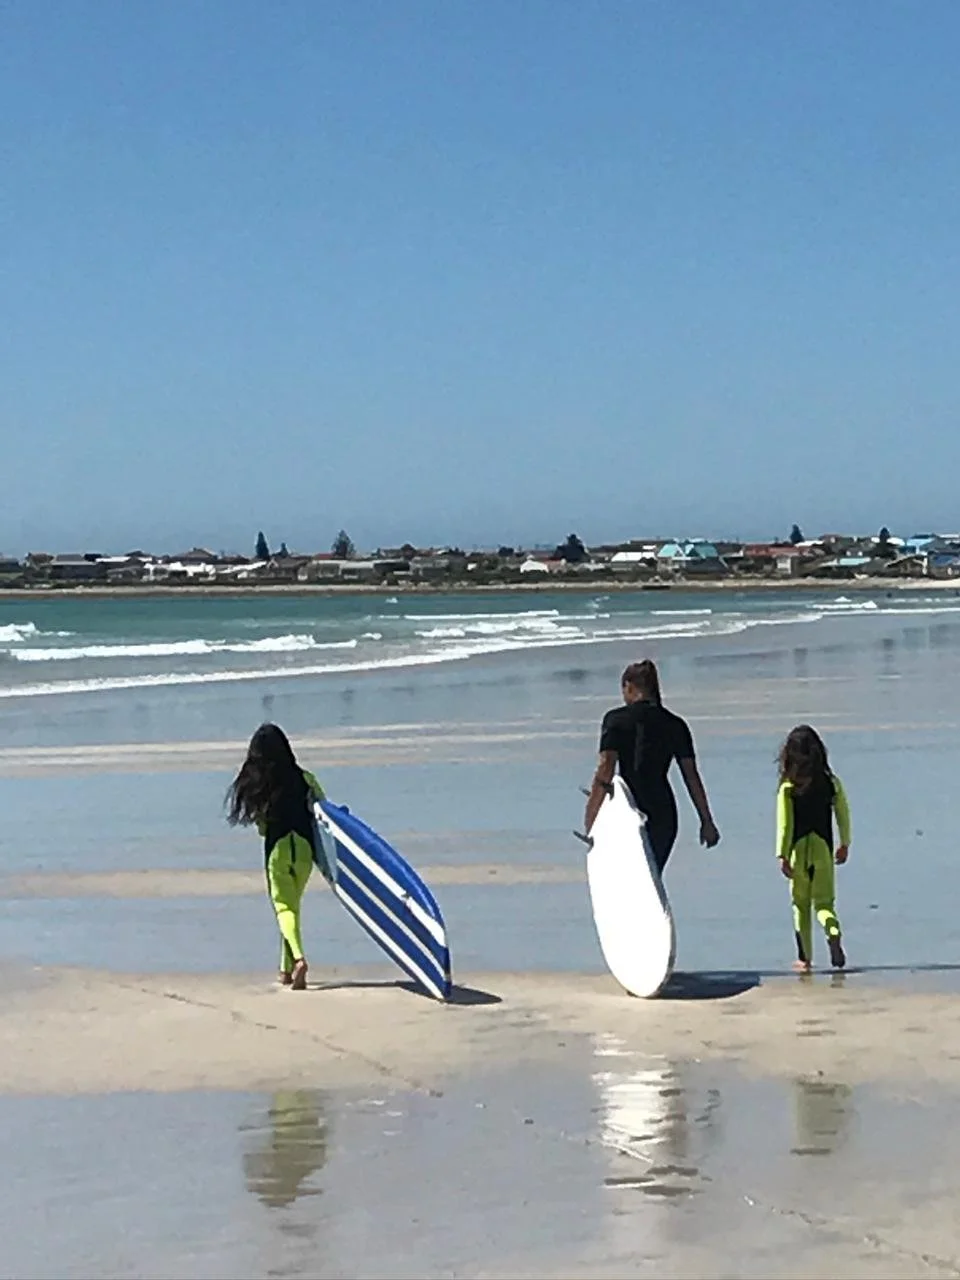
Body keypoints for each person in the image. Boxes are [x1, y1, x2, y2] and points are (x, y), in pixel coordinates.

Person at [584, 659, 720, 871]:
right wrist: (706, 821)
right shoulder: (675, 724)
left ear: (629, 686)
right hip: (663, 813)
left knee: (631, 875)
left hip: (627, 808)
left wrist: (591, 818)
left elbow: (605, 770)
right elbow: (691, 777)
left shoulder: (615, 720)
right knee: (651, 875)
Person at [226, 723, 325, 990]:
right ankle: (285, 970)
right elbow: (323, 811)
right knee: (293, 907)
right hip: (305, 849)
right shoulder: (306, 778)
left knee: (283, 907)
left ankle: (300, 960)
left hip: (278, 850)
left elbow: (261, 828)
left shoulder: (263, 787)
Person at [777, 724, 851, 972]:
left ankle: (805, 958)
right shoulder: (831, 783)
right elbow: (843, 813)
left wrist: (782, 854)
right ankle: (832, 931)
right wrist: (844, 842)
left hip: (798, 852)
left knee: (800, 905)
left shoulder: (788, 788)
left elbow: (785, 824)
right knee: (824, 904)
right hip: (823, 849)